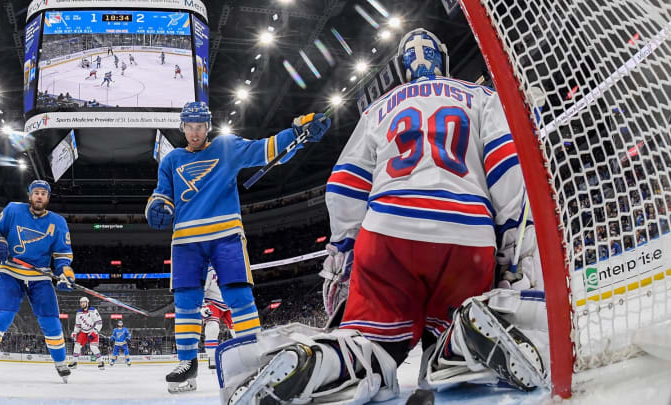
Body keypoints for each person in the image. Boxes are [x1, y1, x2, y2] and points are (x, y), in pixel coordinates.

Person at [216, 28, 547, 404]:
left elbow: (342, 184)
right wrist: (510, 246)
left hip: (388, 234)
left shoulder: (378, 108)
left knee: (367, 342)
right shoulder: (481, 96)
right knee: (455, 322)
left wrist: (343, 253)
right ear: (444, 59)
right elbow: (507, 164)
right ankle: (461, 342)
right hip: (466, 234)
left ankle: (321, 361)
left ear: (404, 69)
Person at [145, 101, 330, 393]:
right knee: (186, 303)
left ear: (208, 127)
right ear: (183, 128)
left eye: (200, 126)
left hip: (225, 234)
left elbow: (266, 149)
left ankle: (253, 359)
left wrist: (298, 132)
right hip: (185, 240)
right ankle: (187, 363)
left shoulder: (226, 147)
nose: (195, 132)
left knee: (239, 295)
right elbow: (162, 194)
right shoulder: (171, 161)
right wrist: (157, 207)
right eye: (190, 127)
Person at [0, 180, 74, 383]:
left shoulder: (58, 222)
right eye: (36, 193)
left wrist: (66, 272)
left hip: (40, 277)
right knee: (2, 316)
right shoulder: (13, 209)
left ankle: (60, 363)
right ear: (30, 196)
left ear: (48, 198)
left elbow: (62, 255)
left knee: (51, 321)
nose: (39, 196)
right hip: (10, 272)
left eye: (43, 193)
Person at [202, 265, 234, 370]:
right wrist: (202, 305)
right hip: (212, 301)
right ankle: (212, 357)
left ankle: (244, 353)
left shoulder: (230, 264)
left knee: (238, 329)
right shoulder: (208, 268)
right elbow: (201, 288)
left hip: (229, 301)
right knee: (213, 328)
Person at [69, 296, 105, 370]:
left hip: (92, 331)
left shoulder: (93, 311)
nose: (82, 304)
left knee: (93, 347)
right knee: (77, 345)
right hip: (83, 332)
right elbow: (78, 325)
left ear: (87, 303)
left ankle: (101, 362)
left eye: (84, 302)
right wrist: (74, 332)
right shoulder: (79, 313)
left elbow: (99, 323)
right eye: (81, 302)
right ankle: (74, 363)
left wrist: (94, 333)